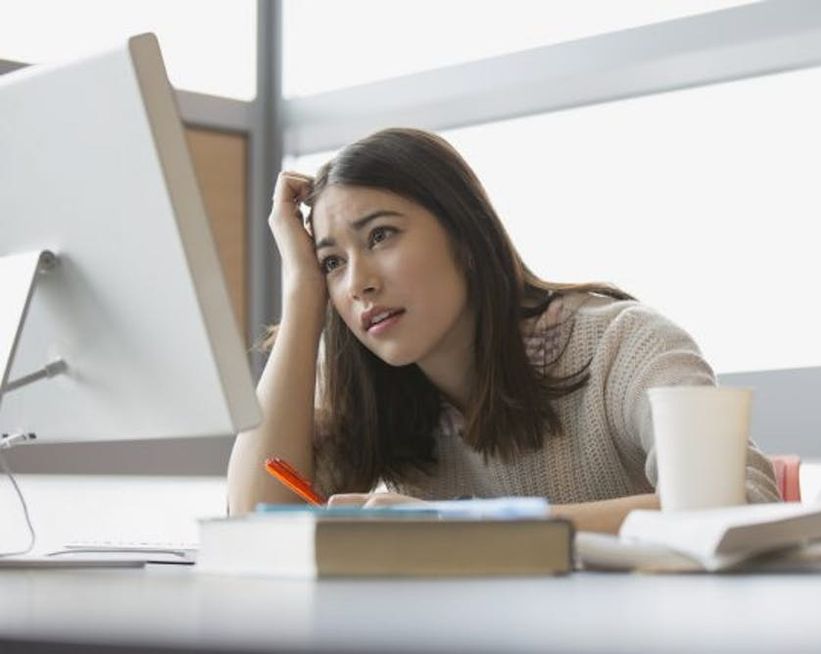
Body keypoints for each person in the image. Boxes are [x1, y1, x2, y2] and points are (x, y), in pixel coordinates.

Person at [226, 127, 780, 533]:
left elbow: (739, 507)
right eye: (332, 263)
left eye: (381, 236)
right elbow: (254, 528)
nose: (358, 284)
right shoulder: (374, 397)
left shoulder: (624, 344)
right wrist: (302, 298)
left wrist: (457, 526)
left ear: (464, 237)